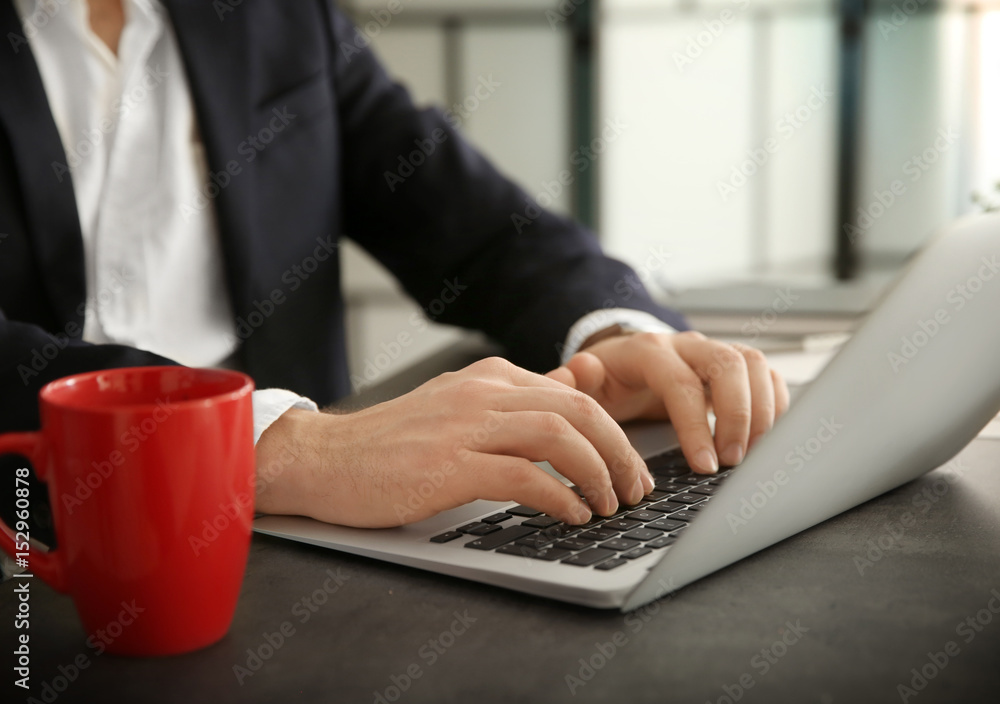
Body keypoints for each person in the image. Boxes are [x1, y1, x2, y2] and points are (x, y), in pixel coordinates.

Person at [0, 0, 788, 534]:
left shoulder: (278, 15)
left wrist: (612, 328)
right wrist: (274, 449)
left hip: (300, 531)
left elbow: (473, 223)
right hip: (36, 532)